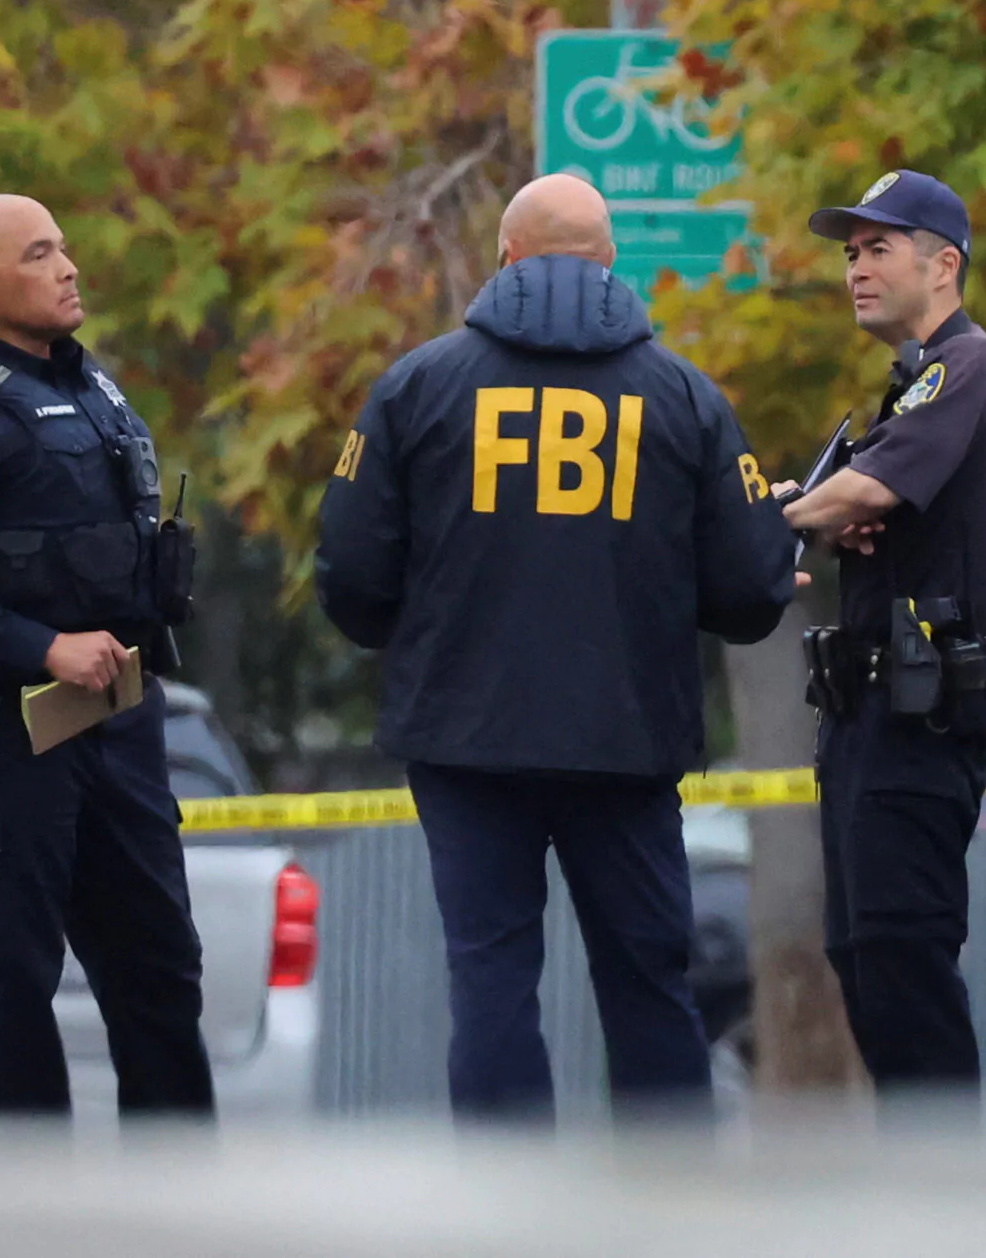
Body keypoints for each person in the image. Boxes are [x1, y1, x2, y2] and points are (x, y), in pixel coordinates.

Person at [315, 173, 798, 1121]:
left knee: (490, 978)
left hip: (464, 736)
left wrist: (420, 645)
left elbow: (351, 567)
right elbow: (751, 588)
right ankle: (664, 1189)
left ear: (506, 257)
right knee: (648, 978)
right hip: (627, 737)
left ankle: (508, 1191)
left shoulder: (417, 386)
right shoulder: (684, 395)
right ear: (610, 262)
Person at [0, 193, 212, 1116]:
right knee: (9, 991)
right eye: (38, 254)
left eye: (63, 247)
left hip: (118, 725)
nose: (68, 267)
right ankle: (28, 1199)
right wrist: (42, 645)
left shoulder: (94, 390)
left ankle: (182, 1193)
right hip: (4, 739)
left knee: (161, 975)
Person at [775, 169, 986, 1090]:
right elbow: (862, 498)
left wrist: (779, 516)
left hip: (918, 720)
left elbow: (870, 489)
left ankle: (943, 1177)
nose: (856, 268)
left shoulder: (967, 365)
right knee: (866, 962)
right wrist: (822, 509)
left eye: (878, 248)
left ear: (943, 263)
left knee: (904, 967)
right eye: (850, 253)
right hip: (869, 719)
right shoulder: (915, 382)